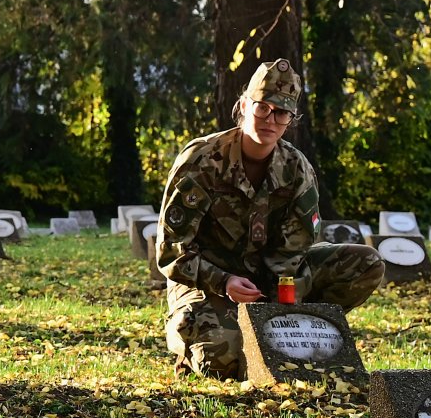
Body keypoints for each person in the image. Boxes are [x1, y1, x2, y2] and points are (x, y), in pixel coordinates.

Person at [155, 59, 384, 378]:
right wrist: (224, 282)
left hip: (269, 278)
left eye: (281, 112)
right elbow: (171, 252)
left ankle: (299, 329)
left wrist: (279, 302)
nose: (270, 119)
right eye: (263, 107)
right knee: (221, 364)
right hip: (209, 280)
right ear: (245, 105)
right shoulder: (202, 160)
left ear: (291, 119)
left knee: (366, 263)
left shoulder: (296, 169)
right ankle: (195, 344)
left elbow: (294, 252)